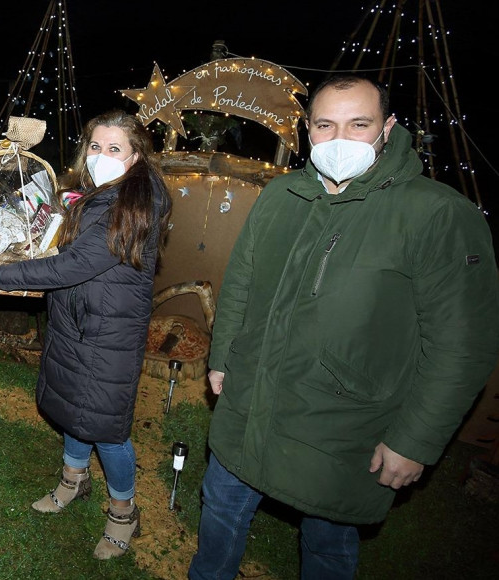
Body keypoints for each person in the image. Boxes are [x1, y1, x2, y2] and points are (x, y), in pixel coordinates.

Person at [187, 75, 499, 580]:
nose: (339, 140)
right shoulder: (282, 194)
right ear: (308, 129)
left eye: (359, 124)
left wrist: (415, 441)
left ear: (387, 127)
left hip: (343, 423)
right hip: (252, 399)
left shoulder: (437, 215)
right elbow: (241, 280)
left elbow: (461, 344)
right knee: (221, 505)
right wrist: (223, 356)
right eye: (325, 125)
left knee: (328, 540)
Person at [0, 109, 173, 559]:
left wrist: (3, 277)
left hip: (108, 334)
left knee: (107, 426)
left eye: (114, 148)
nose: (101, 155)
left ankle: (124, 512)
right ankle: (73, 481)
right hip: (80, 322)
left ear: (136, 154)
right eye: (96, 147)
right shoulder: (102, 193)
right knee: (73, 405)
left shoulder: (135, 201)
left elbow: (79, 263)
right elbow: (70, 251)